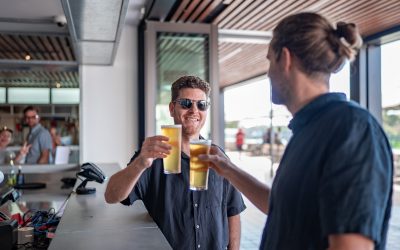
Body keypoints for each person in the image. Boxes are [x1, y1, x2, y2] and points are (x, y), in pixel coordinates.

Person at [199, 12, 393, 250]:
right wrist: (228, 169)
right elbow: (281, 206)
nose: (269, 73)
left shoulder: (352, 130)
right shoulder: (308, 129)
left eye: (270, 61)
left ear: (286, 59)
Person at [105, 76, 246, 249]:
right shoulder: (152, 155)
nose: (194, 110)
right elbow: (111, 196)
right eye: (186, 103)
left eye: (201, 104)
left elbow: (233, 211)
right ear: (172, 109)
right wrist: (140, 162)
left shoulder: (217, 156)